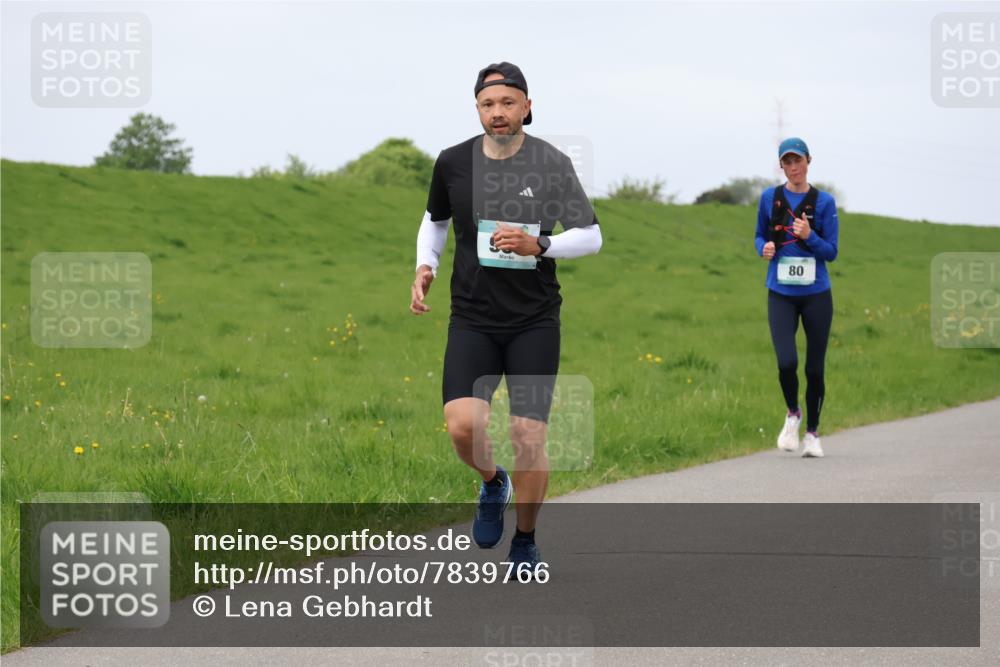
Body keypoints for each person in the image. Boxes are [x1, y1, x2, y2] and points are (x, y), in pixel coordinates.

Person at [409, 62, 602, 573]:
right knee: (462, 426)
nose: (498, 113)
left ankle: (525, 541)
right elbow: (435, 223)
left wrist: (542, 243)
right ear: (477, 109)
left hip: (534, 320)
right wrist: (424, 266)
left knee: (528, 436)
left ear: (527, 106)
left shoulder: (552, 163)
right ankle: (494, 483)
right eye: (488, 104)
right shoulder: (452, 162)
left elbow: (591, 235)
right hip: (472, 317)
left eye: (508, 103)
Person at [754, 137, 839, 458]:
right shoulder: (769, 198)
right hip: (781, 293)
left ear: (808, 161)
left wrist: (809, 236)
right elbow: (759, 235)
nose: (794, 168)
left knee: (814, 369)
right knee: (787, 361)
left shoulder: (824, 202)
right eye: (787, 162)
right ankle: (793, 413)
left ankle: (813, 434)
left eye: (798, 161)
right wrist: (763, 248)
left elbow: (831, 252)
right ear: (781, 166)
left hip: (817, 294)